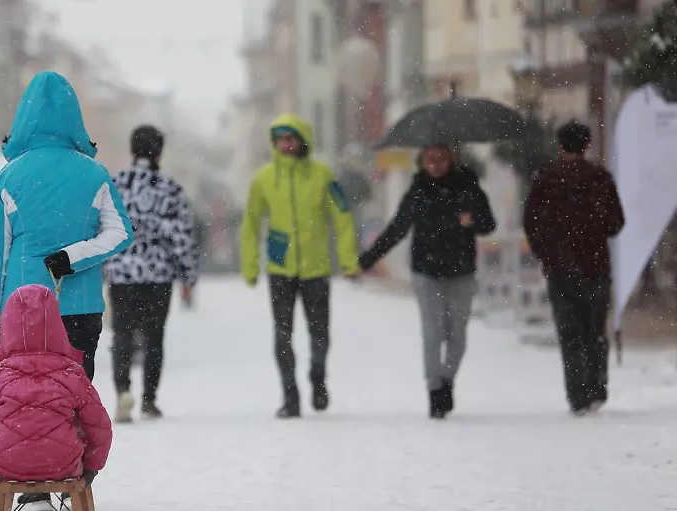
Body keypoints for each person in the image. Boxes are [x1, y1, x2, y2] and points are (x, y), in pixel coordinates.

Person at [0, 71, 132, 507]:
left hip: (21, 308)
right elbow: (120, 233)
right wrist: (74, 256)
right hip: (80, 305)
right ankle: (73, 474)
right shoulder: (94, 174)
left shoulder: (10, 177)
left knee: (24, 394)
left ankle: (29, 477)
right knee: (77, 391)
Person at [358, 144, 496, 419]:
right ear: (422, 162)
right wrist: (368, 259)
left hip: (461, 271)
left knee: (457, 336)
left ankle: (447, 379)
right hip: (426, 272)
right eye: (430, 159)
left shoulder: (468, 186)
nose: (436, 164)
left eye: (441, 158)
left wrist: (472, 220)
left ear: (451, 159)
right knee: (433, 334)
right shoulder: (417, 191)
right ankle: (434, 391)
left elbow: (489, 224)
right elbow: (397, 228)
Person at [240, 114, 361, 419]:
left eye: (290, 138)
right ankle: (289, 395)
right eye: (280, 139)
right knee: (282, 335)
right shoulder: (264, 179)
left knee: (319, 332)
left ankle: (317, 378)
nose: (285, 144)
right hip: (281, 267)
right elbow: (251, 223)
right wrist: (251, 264)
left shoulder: (323, 175)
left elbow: (343, 217)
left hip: (316, 266)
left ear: (302, 139)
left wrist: (348, 260)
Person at [0, 285, 112, 511]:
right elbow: (99, 427)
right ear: (57, 326)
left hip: (7, 464)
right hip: (63, 463)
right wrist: (91, 469)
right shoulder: (71, 373)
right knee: (77, 420)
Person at [523, 120, 625, 416]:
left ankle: (577, 395)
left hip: (559, 268)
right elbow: (617, 223)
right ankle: (596, 387)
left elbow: (530, 221)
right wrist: (595, 229)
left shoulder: (545, 179)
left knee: (569, 333)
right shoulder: (601, 178)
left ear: (560, 145)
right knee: (594, 331)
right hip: (595, 266)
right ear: (587, 144)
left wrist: (546, 252)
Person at [105, 125, 200, 422]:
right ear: (159, 151)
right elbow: (183, 236)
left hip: (122, 275)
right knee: (154, 337)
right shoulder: (170, 189)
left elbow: (101, 228)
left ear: (132, 150)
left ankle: (122, 392)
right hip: (158, 276)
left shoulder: (115, 185)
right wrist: (188, 275)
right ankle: (148, 399)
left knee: (121, 334)